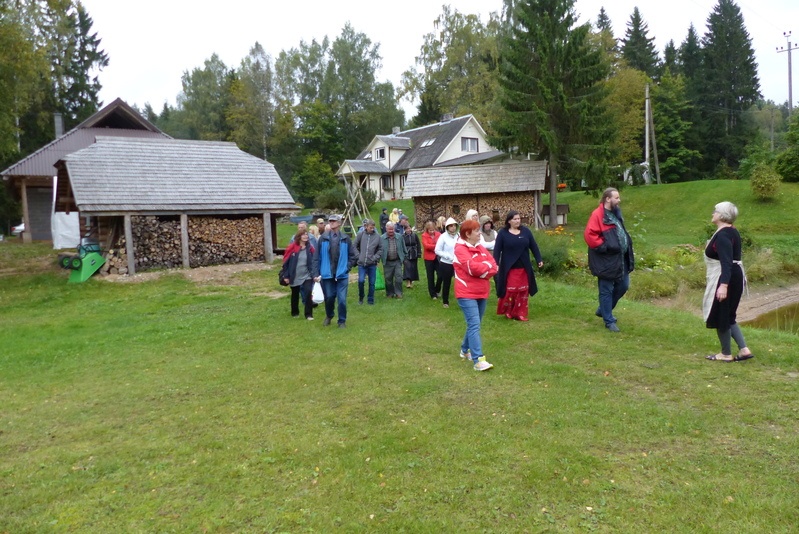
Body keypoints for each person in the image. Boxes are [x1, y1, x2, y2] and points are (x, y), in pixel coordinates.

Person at [703, 202, 754, 362]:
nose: (713, 213)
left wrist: (723, 285)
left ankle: (725, 354)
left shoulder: (724, 235)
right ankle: (744, 350)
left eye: (715, 211)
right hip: (733, 275)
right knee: (729, 315)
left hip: (726, 277)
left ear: (722, 215)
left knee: (721, 315)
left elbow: (726, 261)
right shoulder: (731, 231)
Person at [584, 187, 635, 333]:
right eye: (616, 198)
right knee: (606, 289)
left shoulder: (615, 213)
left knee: (623, 285)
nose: (619, 200)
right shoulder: (598, 214)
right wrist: (605, 247)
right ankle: (609, 320)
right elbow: (590, 235)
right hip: (606, 260)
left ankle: (603, 310)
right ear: (608, 199)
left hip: (620, 259)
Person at [454, 219, 499, 371]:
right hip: (466, 293)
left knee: (475, 323)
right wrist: (484, 268)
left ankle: (464, 350)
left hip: (482, 291)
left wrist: (484, 269)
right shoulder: (460, 249)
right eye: (476, 231)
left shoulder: (480, 247)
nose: (480, 233)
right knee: (474, 325)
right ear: (467, 234)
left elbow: (493, 265)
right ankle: (478, 360)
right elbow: (472, 268)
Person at [493, 210, 543, 322]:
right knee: (511, 290)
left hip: (524, 267)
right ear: (509, 221)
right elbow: (497, 250)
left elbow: (533, 246)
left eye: (519, 219)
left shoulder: (526, 232)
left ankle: (520, 313)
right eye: (515, 219)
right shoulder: (503, 233)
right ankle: (509, 311)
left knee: (523, 290)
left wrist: (539, 259)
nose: (517, 221)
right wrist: (495, 264)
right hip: (509, 268)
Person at [313, 214, 357, 328]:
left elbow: (353, 256)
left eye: (334, 221)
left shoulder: (345, 238)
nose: (331, 222)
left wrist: (347, 267)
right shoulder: (323, 238)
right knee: (329, 298)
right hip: (327, 274)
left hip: (342, 274)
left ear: (339, 223)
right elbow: (317, 257)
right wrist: (316, 273)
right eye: (330, 221)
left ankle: (342, 321)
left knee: (342, 299)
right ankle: (329, 315)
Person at [282, 228, 318, 320]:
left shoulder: (310, 248)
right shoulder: (292, 247)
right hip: (294, 275)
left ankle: (308, 314)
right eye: (304, 234)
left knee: (308, 293)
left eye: (307, 234)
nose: (306, 236)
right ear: (299, 237)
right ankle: (295, 313)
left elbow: (314, 261)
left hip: (307, 275)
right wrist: (286, 276)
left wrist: (315, 274)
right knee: (295, 294)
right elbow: (285, 262)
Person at [354, 218, 382, 305]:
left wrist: (375, 258)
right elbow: (354, 245)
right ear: (366, 227)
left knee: (372, 283)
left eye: (373, 227)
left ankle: (370, 300)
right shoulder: (360, 234)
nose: (372, 229)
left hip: (372, 264)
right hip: (361, 263)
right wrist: (358, 256)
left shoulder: (377, 237)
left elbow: (381, 249)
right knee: (361, 280)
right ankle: (361, 297)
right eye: (370, 227)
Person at [434, 217, 459, 308]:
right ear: (447, 227)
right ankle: (445, 301)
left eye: (454, 226)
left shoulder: (458, 236)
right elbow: (437, 250)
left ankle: (462, 299)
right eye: (451, 226)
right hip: (446, 263)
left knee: (459, 281)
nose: (453, 228)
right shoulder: (443, 236)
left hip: (457, 262)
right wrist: (448, 256)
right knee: (447, 282)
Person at [380, 221, 407, 298]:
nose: (391, 231)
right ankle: (390, 293)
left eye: (392, 229)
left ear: (394, 229)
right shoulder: (382, 238)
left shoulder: (399, 237)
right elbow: (379, 250)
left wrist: (405, 257)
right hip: (387, 262)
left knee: (399, 278)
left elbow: (404, 248)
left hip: (397, 261)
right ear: (386, 229)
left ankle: (398, 293)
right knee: (388, 279)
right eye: (389, 229)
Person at [421, 220, 442, 299]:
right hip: (428, 259)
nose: (432, 232)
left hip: (437, 257)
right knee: (430, 277)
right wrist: (436, 246)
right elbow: (426, 246)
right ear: (427, 229)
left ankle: (437, 289)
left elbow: (441, 244)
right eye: (430, 230)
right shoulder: (424, 235)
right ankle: (433, 294)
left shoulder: (439, 234)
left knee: (440, 275)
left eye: (433, 230)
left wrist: (433, 246)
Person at [402, 223, 420, 289]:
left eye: (409, 228)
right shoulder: (403, 236)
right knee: (407, 267)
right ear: (404, 230)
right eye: (406, 229)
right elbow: (401, 246)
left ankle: (411, 280)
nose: (408, 230)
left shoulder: (414, 235)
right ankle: (408, 281)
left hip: (413, 253)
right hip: (406, 253)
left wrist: (419, 253)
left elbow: (418, 244)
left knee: (413, 267)